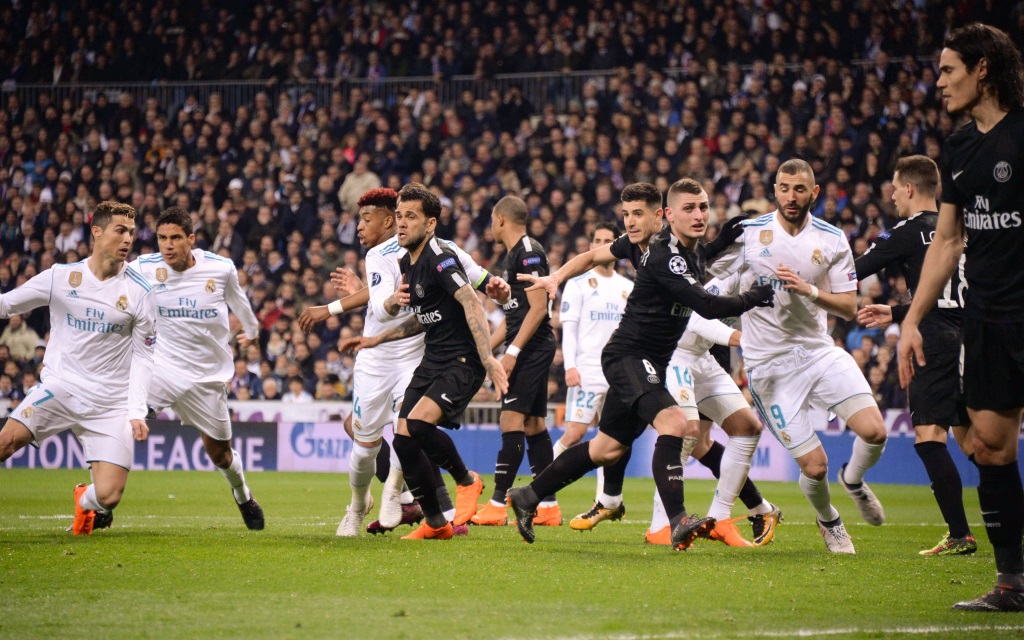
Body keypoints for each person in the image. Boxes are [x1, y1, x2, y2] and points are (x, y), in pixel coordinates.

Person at [508, 180, 774, 547]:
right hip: (629, 357)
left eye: (637, 214)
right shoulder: (664, 254)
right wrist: (752, 297)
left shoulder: (675, 251)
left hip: (645, 360)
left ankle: (527, 497)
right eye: (626, 215)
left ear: (658, 216)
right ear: (669, 215)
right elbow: (708, 305)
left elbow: (689, 263)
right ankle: (677, 520)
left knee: (606, 449)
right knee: (676, 422)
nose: (630, 223)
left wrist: (718, 244)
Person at [899, 23, 1024, 611]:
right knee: (992, 447)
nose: (939, 81)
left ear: (982, 69)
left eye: (949, 70)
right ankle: (1012, 583)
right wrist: (911, 321)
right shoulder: (959, 147)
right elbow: (946, 242)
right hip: (989, 318)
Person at [301, 188, 508, 537]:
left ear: (427, 223)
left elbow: (471, 288)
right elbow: (411, 309)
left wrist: (494, 304)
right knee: (390, 437)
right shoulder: (403, 260)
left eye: (407, 216)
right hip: (395, 360)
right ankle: (432, 520)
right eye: (400, 215)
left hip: (445, 358)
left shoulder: (439, 254)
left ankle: (455, 484)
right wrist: (372, 333)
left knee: (416, 428)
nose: (361, 226)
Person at [709, 159, 889, 554]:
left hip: (817, 352)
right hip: (768, 368)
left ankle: (854, 480)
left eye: (800, 189)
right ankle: (830, 522)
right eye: (785, 188)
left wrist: (809, 291)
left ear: (814, 193)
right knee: (814, 466)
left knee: (876, 431)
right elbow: (707, 276)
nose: (792, 196)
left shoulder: (832, 239)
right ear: (775, 190)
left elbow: (846, 306)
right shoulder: (749, 236)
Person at [0, 201, 156, 535]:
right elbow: (7, 304)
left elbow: (145, 357)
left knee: (109, 496)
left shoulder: (141, 293)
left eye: (131, 231)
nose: (128, 238)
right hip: (61, 388)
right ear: (97, 233)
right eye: (120, 230)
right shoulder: (61, 277)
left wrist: (136, 410)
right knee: (5, 442)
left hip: (110, 404)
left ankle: (84, 500)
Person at [855, 156, 975, 556]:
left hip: (933, 342)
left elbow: (857, 269)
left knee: (928, 438)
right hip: (973, 338)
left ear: (909, 188)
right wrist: (897, 311)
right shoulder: (961, 228)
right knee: (977, 444)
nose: (891, 194)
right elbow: (952, 297)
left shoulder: (908, 231)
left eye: (894, 186)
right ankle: (1005, 532)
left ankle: (960, 534)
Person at [130, 207, 265, 530]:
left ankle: (242, 494)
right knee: (124, 423)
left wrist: (253, 330)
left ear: (190, 239)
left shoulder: (219, 269)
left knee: (221, 455)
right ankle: (99, 501)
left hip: (208, 377)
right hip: (161, 368)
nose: (168, 245)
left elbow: (240, 303)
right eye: (162, 238)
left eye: (175, 237)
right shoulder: (143, 268)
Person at [644, 271, 782, 547]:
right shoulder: (727, 278)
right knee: (688, 431)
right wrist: (742, 339)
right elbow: (699, 318)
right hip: (676, 356)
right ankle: (661, 524)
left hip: (704, 357)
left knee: (748, 427)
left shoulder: (767, 280)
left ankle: (720, 518)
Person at [472, 196, 561, 527]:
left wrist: (511, 354)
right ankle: (549, 507)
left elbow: (538, 310)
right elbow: (516, 315)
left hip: (533, 349)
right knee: (534, 425)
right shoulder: (515, 255)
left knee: (510, 420)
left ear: (500, 220)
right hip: (530, 347)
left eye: (492, 221)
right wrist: (487, 352)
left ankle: (497, 505)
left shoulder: (529, 252)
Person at [555, 222, 635, 531]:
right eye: (597, 240)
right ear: (591, 246)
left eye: (608, 241)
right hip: (587, 370)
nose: (602, 245)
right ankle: (543, 488)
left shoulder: (627, 286)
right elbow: (570, 328)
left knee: (612, 441)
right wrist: (569, 366)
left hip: (618, 374)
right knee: (574, 433)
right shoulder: (577, 283)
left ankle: (605, 500)